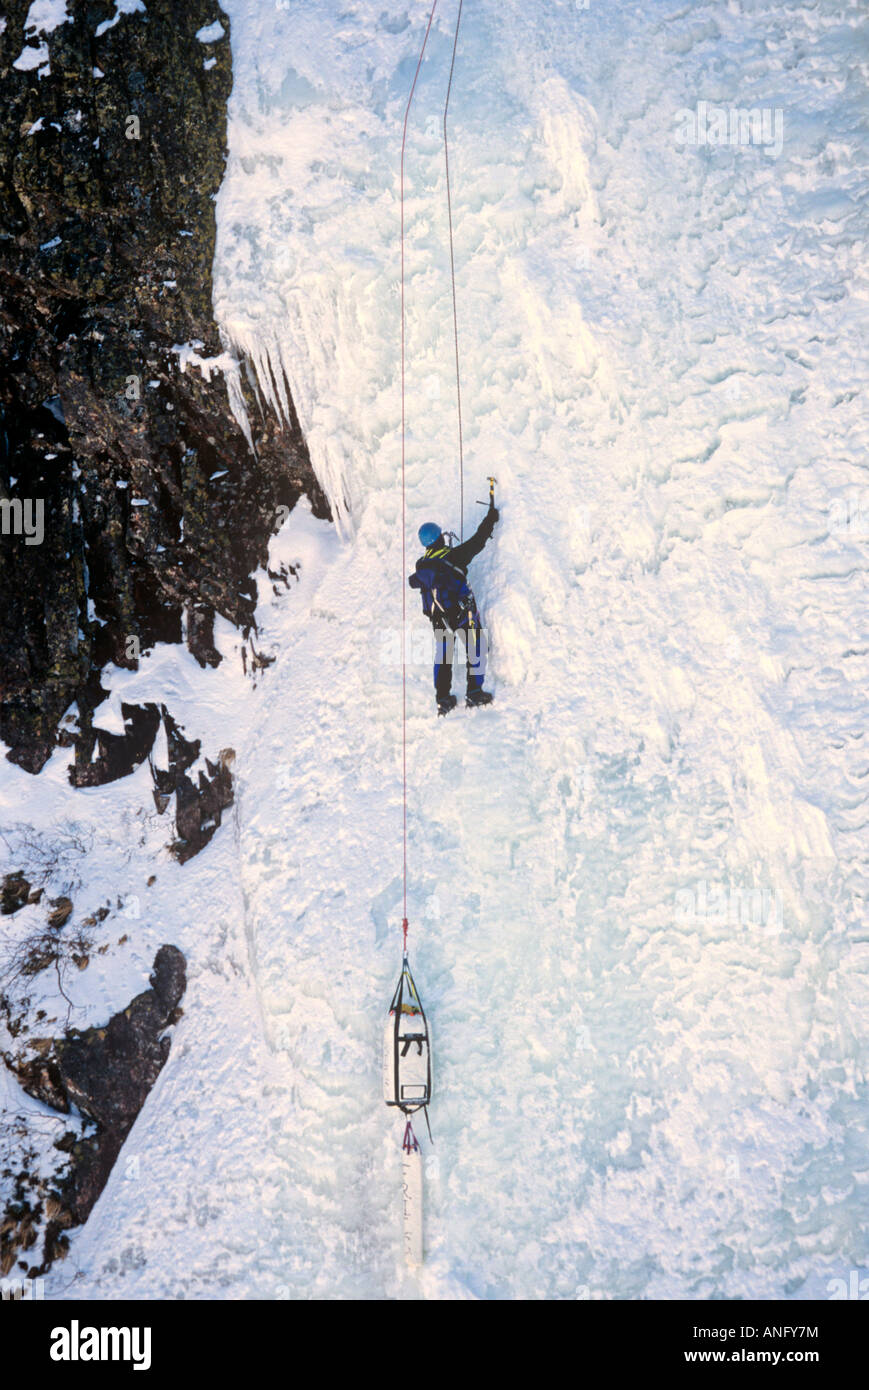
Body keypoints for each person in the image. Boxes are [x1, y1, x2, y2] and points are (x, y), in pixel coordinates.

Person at [408, 500, 499, 715]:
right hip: (460, 612)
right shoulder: (453, 557)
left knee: (443, 655)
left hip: (438, 619)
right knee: (475, 646)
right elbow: (478, 541)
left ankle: (443, 699)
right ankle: (474, 692)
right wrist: (491, 518)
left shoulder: (421, 565)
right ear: (440, 537)